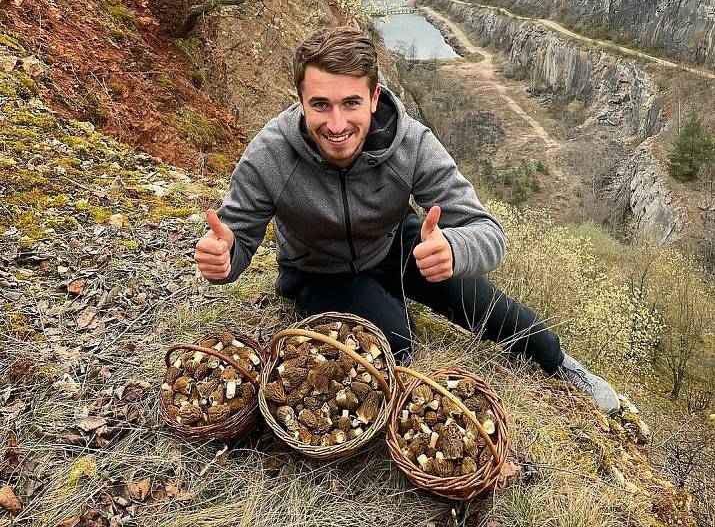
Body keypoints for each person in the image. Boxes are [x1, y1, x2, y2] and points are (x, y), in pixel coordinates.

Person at [194, 26, 620, 414]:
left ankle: (561, 364)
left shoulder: (409, 143)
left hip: (397, 245)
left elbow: (489, 234)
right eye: (320, 105)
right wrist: (225, 260)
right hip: (316, 269)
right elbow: (237, 238)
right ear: (301, 102)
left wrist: (453, 248)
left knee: (496, 311)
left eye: (351, 103)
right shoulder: (270, 154)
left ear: (375, 98)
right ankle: (378, 309)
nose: (336, 124)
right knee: (396, 343)